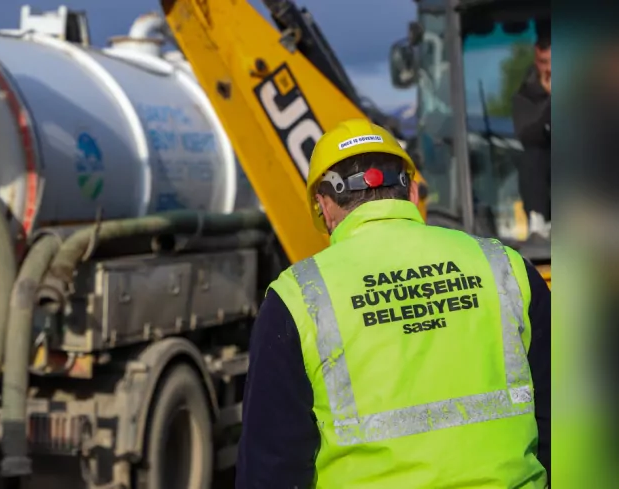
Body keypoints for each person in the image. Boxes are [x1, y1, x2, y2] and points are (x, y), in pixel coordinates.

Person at [235, 119, 551, 488]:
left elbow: (271, 468)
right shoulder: (506, 268)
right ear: (413, 192)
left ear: (323, 206)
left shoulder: (297, 299)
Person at [511, 29, 551, 241]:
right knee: (531, 157)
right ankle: (539, 221)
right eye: (544, 62)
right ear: (536, 60)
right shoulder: (525, 96)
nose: (550, 69)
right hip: (546, 165)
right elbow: (527, 135)